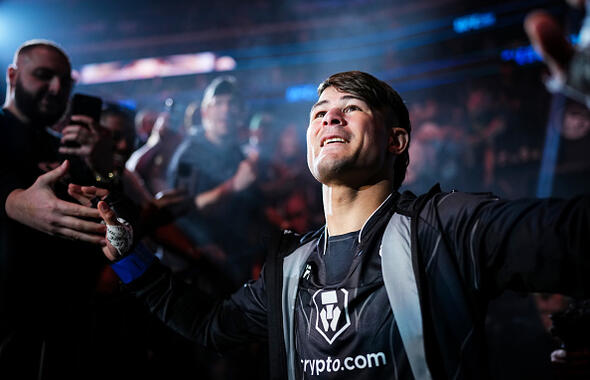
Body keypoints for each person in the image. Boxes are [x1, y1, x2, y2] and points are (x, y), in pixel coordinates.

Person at [97, 71, 590, 380]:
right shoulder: (289, 268)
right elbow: (209, 325)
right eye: (319, 112)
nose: (330, 117)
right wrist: (127, 255)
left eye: (351, 107)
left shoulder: (447, 228)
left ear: (396, 141)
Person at [0, 40, 109, 378]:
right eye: (44, 76)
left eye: (65, 81)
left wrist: (103, 166)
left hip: (71, 318)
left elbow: (106, 213)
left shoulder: (62, 146)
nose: (56, 88)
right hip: (9, 317)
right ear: (13, 75)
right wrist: (13, 200)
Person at [166, 76, 265, 287]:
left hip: (235, 262)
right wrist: (234, 185)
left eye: (232, 103)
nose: (225, 110)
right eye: (218, 103)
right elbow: (182, 209)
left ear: (241, 112)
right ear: (204, 112)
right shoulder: (190, 154)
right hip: (199, 268)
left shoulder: (236, 152)